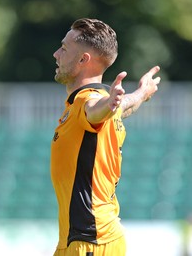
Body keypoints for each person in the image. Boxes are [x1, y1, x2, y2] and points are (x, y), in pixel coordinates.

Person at [50, 18, 161, 256]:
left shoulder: (86, 101)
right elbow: (122, 106)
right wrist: (141, 93)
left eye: (64, 48)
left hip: (91, 240)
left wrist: (108, 104)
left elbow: (94, 109)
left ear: (83, 60)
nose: (56, 54)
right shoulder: (104, 104)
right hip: (83, 240)